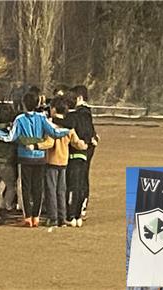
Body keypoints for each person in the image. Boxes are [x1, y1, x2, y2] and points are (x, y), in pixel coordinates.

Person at [0, 92, 70, 227]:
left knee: (26, 188)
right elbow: (54, 132)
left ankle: (28, 217)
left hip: (25, 157)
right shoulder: (42, 118)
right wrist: (68, 130)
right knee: (38, 187)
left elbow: (10, 137)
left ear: (23, 104)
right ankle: (36, 217)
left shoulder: (19, 119)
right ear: (38, 103)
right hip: (40, 157)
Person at [29, 98, 87, 227]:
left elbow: (49, 143)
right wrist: (84, 146)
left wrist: (36, 145)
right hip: (64, 161)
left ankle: (53, 217)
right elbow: (76, 142)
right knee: (61, 191)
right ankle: (62, 216)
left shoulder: (52, 126)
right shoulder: (69, 127)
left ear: (54, 109)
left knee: (51, 191)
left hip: (52, 162)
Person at [55, 86, 99, 227]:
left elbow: (66, 127)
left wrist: (54, 120)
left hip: (73, 155)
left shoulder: (73, 117)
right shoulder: (84, 117)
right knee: (79, 184)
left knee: (71, 186)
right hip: (83, 154)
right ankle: (78, 214)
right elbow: (89, 134)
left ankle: (71, 215)